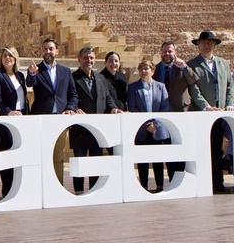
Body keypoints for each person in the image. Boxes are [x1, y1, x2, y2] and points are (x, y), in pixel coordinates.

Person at [187, 31, 234, 194]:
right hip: (204, 114)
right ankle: (205, 182)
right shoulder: (192, 64)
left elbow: (229, 86)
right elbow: (194, 89)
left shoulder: (223, 64)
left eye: (209, 43)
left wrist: (228, 104)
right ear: (198, 45)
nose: (207, 45)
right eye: (203, 43)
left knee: (218, 148)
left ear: (214, 45)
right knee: (204, 148)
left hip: (221, 112)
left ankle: (218, 182)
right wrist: (206, 107)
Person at [70, 46, 123, 194]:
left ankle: (94, 190)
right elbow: (70, 98)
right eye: (86, 57)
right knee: (80, 161)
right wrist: (74, 109)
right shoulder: (73, 78)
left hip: (97, 129)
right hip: (80, 128)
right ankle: (79, 191)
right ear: (79, 59)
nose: (89, 60)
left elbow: (107, 99)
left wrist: (113, 108)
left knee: (96, 160)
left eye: (91, 58)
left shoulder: (101, 78)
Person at [26, 38, 78, 183]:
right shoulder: (36, 70)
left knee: (58, 156)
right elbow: (30, 83)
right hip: (41, 118)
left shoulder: (66, 71)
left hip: (60, 119)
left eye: (50, 49)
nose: (48, 52)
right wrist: (31, 74)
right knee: (41, 155)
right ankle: (40, 186)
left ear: (57, 51)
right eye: (45, 49)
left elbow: (73, 94)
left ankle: (58, 186)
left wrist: (70, 108)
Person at [153, 41, 198, 180]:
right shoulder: (155, 69)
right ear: (161, 53)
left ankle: (180, 178)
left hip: (180, 111)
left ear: (175, 53)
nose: (167, 54)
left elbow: (193, 80)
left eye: (170, 51)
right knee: (165, 147)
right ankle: (170, 178)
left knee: (179, 146)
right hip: (163, 113)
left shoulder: (182, 68)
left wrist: (184, 67)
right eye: (164, 51)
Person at [0, 46, 28, 198]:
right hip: (5, 121)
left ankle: (19, 189)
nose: (7, 58)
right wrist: (8, 112)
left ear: (15, 58)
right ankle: (7, 190)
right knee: (6, 156)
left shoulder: (20, 76)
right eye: (5, 55)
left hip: (21, 120)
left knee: (19, 156)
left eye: (10, 55)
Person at [127, 60, 171, 193]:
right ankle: (143, 186)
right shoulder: (133, 87)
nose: (143, 71)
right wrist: (147, 124)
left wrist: (155, 124)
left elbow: (165, 106)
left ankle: (159, 185)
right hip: (142, 129)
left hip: (158, 128)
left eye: (146, 68)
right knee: (142, 160)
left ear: (153, 71)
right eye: (141, 69)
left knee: (158, 158)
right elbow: (132, 107)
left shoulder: (160, 86)